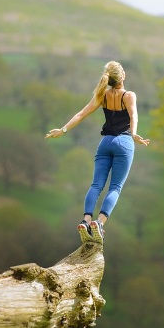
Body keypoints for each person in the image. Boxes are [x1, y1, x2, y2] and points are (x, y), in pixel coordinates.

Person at [45, 60, 150, 243]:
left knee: (96, 185)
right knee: (115, 187)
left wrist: (62, 130)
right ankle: (99, 223)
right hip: (123, 143)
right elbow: (133, 115)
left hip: (105, 143)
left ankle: (85, 221)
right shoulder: (129, 95)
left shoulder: (103, 95)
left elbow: (81, 114)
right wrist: (133, 134)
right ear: (122, 76)